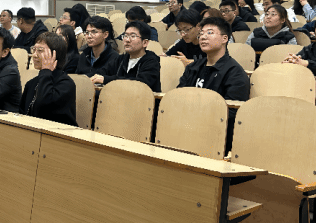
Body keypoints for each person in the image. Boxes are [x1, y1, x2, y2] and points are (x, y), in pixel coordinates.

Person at [177, 16, 250, 152]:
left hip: (215, 135)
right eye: (201, 33)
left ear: (224, 38)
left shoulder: (235, 73)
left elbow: (232, 112)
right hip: (186, 125)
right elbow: (178, 96)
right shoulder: (193, 67)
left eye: (209, 33)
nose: (203, 37)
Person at [19, 32, 77, 126]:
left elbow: (43, 106)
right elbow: (22, 113)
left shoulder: (66, 84)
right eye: (34, 49)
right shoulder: (31, 83)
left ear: (54, 54)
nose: (34, 55)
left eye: (40, 50)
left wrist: (46, 70)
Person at [90, 21, 161, 92]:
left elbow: (140, 84)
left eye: (133, 36)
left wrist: (106, 79)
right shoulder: (121, 59)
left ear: (145, 42)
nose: (127, 40)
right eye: (125, 36)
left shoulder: (152, 62)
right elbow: (102, 72)